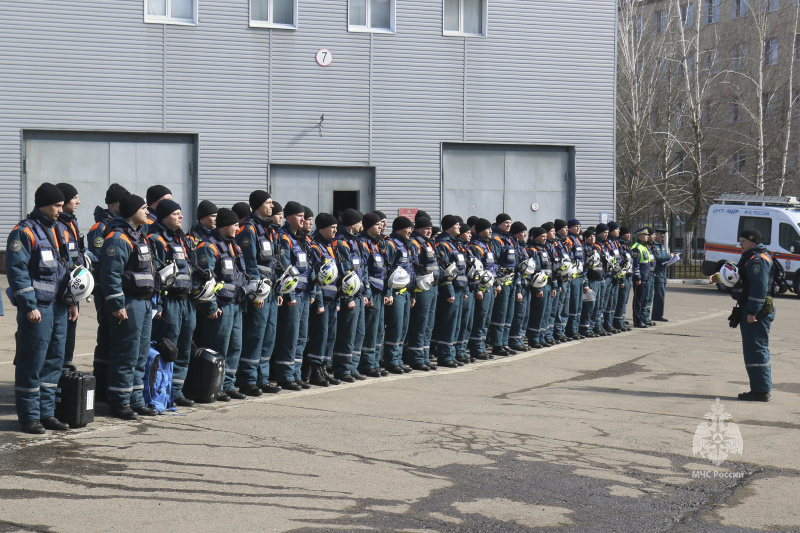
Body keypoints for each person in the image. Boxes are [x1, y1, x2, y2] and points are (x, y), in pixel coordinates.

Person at [7, 183, 78, 434]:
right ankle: (29, 417)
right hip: (38, 309)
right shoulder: (24, 232)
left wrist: (72, 302)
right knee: (32, 361)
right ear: (43, 205)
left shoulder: (60, 230)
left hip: (59, 308)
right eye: (57, 205)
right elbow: (17, 272)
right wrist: (29, 306)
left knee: (54, 362)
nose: (61, 209)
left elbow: (68, 269)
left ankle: (46, 413)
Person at [100, 193, 157, 419]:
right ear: (132, 211)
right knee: (126, 353)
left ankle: (136, 399)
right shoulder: (118, 238)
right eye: (144, 208)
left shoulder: (139, 236)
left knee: (140, 354)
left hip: (143, 304)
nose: (148, 212)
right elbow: (110, 274)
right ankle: (120, 402)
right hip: (128, 304)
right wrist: (117, 303)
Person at [709, 228, 775, 402]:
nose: (740, 245)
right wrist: (720, 278)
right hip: (751, 308)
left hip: (756, 311)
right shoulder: (751, 257)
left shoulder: (757, 259)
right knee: (753, 350)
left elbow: (758, 287)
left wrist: (753, 312)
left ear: (753, 242)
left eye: (743, 242)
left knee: (756, 350)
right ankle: (759, 389)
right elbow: (740, 278)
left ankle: (761, 391)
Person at [147, 199, 197, 407]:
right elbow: (155, 274)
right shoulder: (156, 239)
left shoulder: (183, 239)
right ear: (164, 216)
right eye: (176, 214)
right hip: (169, 302)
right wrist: (157, 305)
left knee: (184, 347)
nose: (181, 217)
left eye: (180, 213)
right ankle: (162, 392)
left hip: (187, 302)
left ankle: (176, 391)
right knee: (168, 346)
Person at [195, 208, 248, 401]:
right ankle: (214, 386)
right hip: (220, 307)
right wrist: (210, 306)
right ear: (225, 226)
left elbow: (239, 277)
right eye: (235, 225)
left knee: (235, 347)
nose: (238, 228)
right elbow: (204, 279)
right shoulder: (209, 247)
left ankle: (228, 384)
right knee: (218, 347)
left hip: (235, 305)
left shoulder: (234, 246)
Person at [235, 191, 282, 395]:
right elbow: (250, 263)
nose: (272, 207)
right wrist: (257, 292)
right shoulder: (249, 229)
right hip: (259, 291)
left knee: (268, 335)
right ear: (257, 205)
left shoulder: (268, 229)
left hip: (270, 289)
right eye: (268, 203)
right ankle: (248, 379)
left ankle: (262, 379)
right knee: (255, 335)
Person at [88, 182, 128, 400]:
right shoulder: (100, 228)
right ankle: (101, 384)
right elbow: (100, 260)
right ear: (112, 204)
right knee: (106, 335)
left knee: (116, 337)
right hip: (105, 291)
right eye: (122, 202)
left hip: (119, 290)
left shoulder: (120, 225)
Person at [274, 201, 312, 390]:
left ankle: (296, 374)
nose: (303, 219)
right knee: (290, 336)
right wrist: (289, 296)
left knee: (301, 336)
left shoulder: (301, 239)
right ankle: (285, 375)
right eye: (299, 216)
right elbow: (285, 268)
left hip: (304, 294)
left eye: (304, 216)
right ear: (289, 217)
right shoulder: (284, 238)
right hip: (293, 295)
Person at [305, 213, 343, 387]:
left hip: (333, 299)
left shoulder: (330, 247)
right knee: (319, 336)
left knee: (330, 336)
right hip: (323, 300)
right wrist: (319, 302)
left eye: (336, 227)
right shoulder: (315, 247)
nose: (335, 231)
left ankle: (324, 368)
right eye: (332, 228)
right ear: (322, 229)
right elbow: (316, 278)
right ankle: (315, 371)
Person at [332, 209, 368, 382]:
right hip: (350, 296)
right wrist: (349, 298)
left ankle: (353, 366)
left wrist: (364, 292)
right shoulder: (341, 242)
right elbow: (345, 271)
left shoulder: (355, 242)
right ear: (353, 224)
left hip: (359, 294)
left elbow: (361, 268)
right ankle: (343, 368)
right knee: (347, 334)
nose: (363, 226)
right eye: (360, 222)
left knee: (358, 333)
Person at [55, 182, 87, 370]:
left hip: (74, 285)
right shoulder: (57, 226)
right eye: (74, 197)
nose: (78, 201)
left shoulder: (70, 222)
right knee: (61, 331)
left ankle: (66, 365)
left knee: (70, 328)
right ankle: (60, 368)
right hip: (63, 288)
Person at [431, 215, 468, 368]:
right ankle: (445, 356)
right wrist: (449, 291)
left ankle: (451, 354)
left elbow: (462, 270)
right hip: (452, 290)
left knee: (456, 324)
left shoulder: (455, 244)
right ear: (449, 226)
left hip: (460, 288)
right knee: (448, 324)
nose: (460, 227)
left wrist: (464, 289)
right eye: (457, 225)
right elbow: (445, 270)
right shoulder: (443, 245)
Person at [357, 212, 389, 377]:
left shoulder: (378, 244)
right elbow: (365, 271)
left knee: (378, 330)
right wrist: (367, 293)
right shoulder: (364, 243)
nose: (382, 227)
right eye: (378, 224)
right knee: (370, 330)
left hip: (379, 291)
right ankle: (367, 364)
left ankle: (375, 362)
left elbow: (384, 270)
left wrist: (386, 291)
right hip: (371, 292)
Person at [406, 217, 439, 371]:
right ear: (417, 229)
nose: (429, 231)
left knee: (429, 324)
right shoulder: (415, 243)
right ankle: (416, 357)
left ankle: (424, 356)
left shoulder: (428, 243)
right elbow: (414, 266)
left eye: (430, 228)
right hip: (422, 288)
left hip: (432, 287)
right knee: (420, 323)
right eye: (426, 228)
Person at [383, 216, 415, 374]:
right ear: (398, 229)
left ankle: (398, 359)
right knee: (395, 327)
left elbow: (411, 270)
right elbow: (387, 269)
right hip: (395, 293)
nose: (411, 231)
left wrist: (413, 293)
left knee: (403, 328)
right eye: (408, 228)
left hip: (406, 292)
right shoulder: (391, 244)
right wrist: (388, 293)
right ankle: (391, 360)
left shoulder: (407, 245)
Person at [468, 218, 499, 359]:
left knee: (486, 319)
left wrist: (496, 283)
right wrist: (476, 289)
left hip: (490, 286)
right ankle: (476, 348)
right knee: (480, 318)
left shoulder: (488, 246)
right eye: (487, 229)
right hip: (481, 288)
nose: (491, 231)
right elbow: (474, 270)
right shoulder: (475, 247)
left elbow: (493, 267)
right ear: (480, 231)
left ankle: (482, 346)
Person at [488, 214, 518, 355]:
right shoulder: (496, 239)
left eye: (510, 223)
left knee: (508, 313)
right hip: (502, 282)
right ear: (499, 223)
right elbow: (496, 261)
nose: (508, 225)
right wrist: (496, 282)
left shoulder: (509, 239)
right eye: (506, 222)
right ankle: (497, 344)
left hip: (510, 281)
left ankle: (504, 343)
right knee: (500, 313)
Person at [527, 226, 556, 348]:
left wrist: (554, 285)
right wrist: (538, 288)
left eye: (545, 236)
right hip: (540, 286)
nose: (545, 239)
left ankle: (542, 336)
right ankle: (534, 338)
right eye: (542, 236)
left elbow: (551, 269)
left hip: (548, 285)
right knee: (538, 313)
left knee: (546, 312)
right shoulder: (532, 250)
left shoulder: (545, 249)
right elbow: (535, 270)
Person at [454, 220, 475, 364]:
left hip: (467, 288)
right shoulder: (452, 246)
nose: (470, 235)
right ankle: (452, 353)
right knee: (456, 323)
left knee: (466, 323)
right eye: (467, 232)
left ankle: (461, 351)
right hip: (457, 289)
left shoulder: (465, 248)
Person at [508, 221, 531, 352]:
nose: (524, 234)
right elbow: (515, 270)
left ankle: (520, 339)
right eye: (522, 232)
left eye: (525, 232)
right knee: (518, 314)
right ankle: (515, 340)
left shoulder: (522, 247)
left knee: (524, 314)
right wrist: (518, 289)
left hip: (526, 284)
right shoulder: (514, 247)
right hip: (519, 285)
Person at [564, 219, 586, 340]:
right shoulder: (569, 240)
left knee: (578, 305)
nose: (578, 228)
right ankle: (570, 330)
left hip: (579, 276)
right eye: (575, 226)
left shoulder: (579, 240)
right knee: (572, 304)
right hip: (572, 277)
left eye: (579, 226)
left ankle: (575, 329)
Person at [580, 228, 603, 337]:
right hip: (590, 280)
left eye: (593, 236)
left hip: (598, 280)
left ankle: (593, 327)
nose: (592, 237)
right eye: (590, 236)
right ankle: (585, 328)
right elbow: (584, 267)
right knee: (589, 306)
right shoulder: (584, 249)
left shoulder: (596, 249)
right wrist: (586, 284)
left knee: (597, 306)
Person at [613, 227, 634, 332]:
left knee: (624, 300)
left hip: (628, 275)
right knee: (621, 300)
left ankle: (622, 319)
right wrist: (621, 279)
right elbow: (620, 263)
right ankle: (618, 321)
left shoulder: (627, 246)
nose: (629, 235)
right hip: (623, 275)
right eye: (627, 233)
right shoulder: (620, 245)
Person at [630, 228, 652, 328]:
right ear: (639, 236)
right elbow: (635, 264)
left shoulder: (645, 247)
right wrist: (637, 277)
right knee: (638, 300)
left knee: (643, 300)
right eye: (645, 235)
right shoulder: (637, 247)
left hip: (645, 277)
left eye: (648, 235)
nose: (647, 236)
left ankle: (642, 318)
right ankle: (637, 320)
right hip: (640, 278)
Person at [651, 228, 673, 322]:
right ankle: (656, 315)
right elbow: (658, 257)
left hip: (662, 273)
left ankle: (658, 314)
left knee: (661, 295)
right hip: (657, 273)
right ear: (656, 234)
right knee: (659, 295)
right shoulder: (653, 245)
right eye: (661, 236)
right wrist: (669, 256)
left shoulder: (661, 245)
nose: (663, 238)